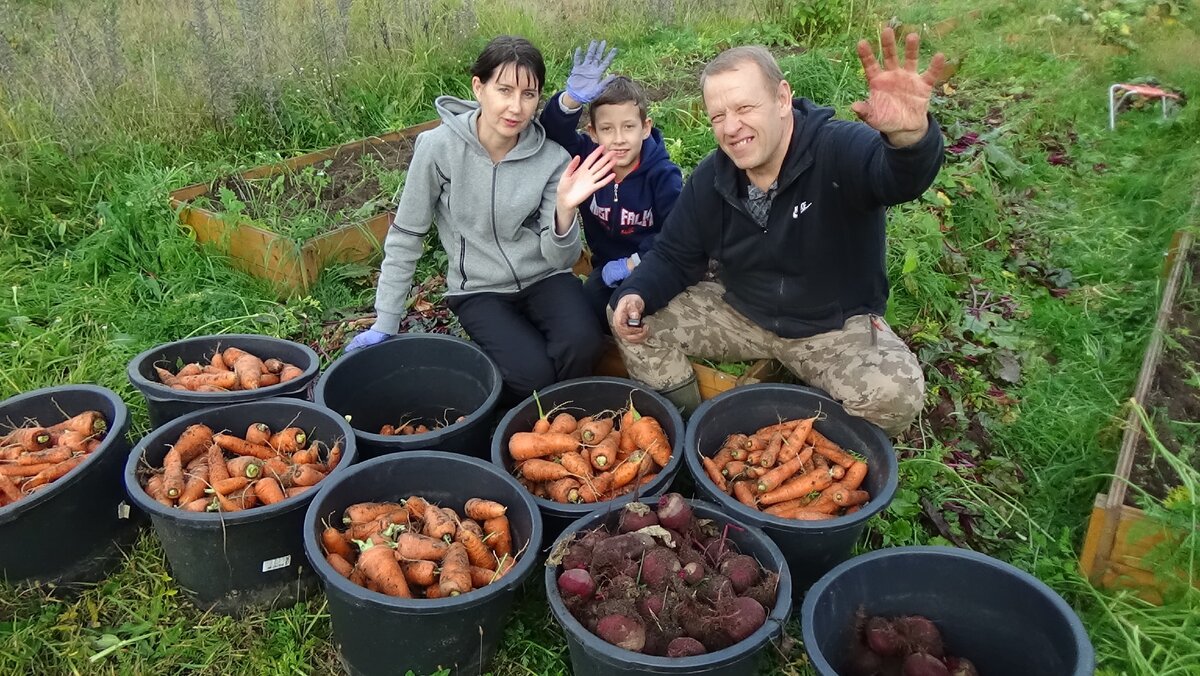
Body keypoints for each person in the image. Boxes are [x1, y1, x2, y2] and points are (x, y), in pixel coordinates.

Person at [609, 29, 947, 436]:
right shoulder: (711, 180)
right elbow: (673, 255)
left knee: (897, 394)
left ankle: (814, 453)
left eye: (744, 107)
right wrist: (637, 292)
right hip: (742, 313)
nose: (731, 127)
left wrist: (909, 139)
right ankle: (687, 429)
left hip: (832, 327)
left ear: (782, 99)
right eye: (719, 116)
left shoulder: (835, 149)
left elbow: (897, 179)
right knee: (629, 318)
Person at [344, 35, 614, 405]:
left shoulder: (552, 158)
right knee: (532, 373)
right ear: (479, 86)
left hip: (544, 277)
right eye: (504, 90)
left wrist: (565, 214)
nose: (515, 107)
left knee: (584, 344)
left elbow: (561, 259)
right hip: (479, 290)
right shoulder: (438, 149)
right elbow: (407, 234)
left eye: (528, 95)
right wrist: (386, 319)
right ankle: (532, 412)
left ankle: (550, 421)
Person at [539, 40, 683, 329]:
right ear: (592, 132)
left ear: (645, 128)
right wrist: (571, 100)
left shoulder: (662, 175)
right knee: (589, 309)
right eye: (607, 129)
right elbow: (553, 131)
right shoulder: (589, 161)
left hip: (654, 265)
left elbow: (676, 235)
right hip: (606, 269)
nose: (618, 138)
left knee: (643, 317)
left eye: (629, 127)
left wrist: (632, 264)